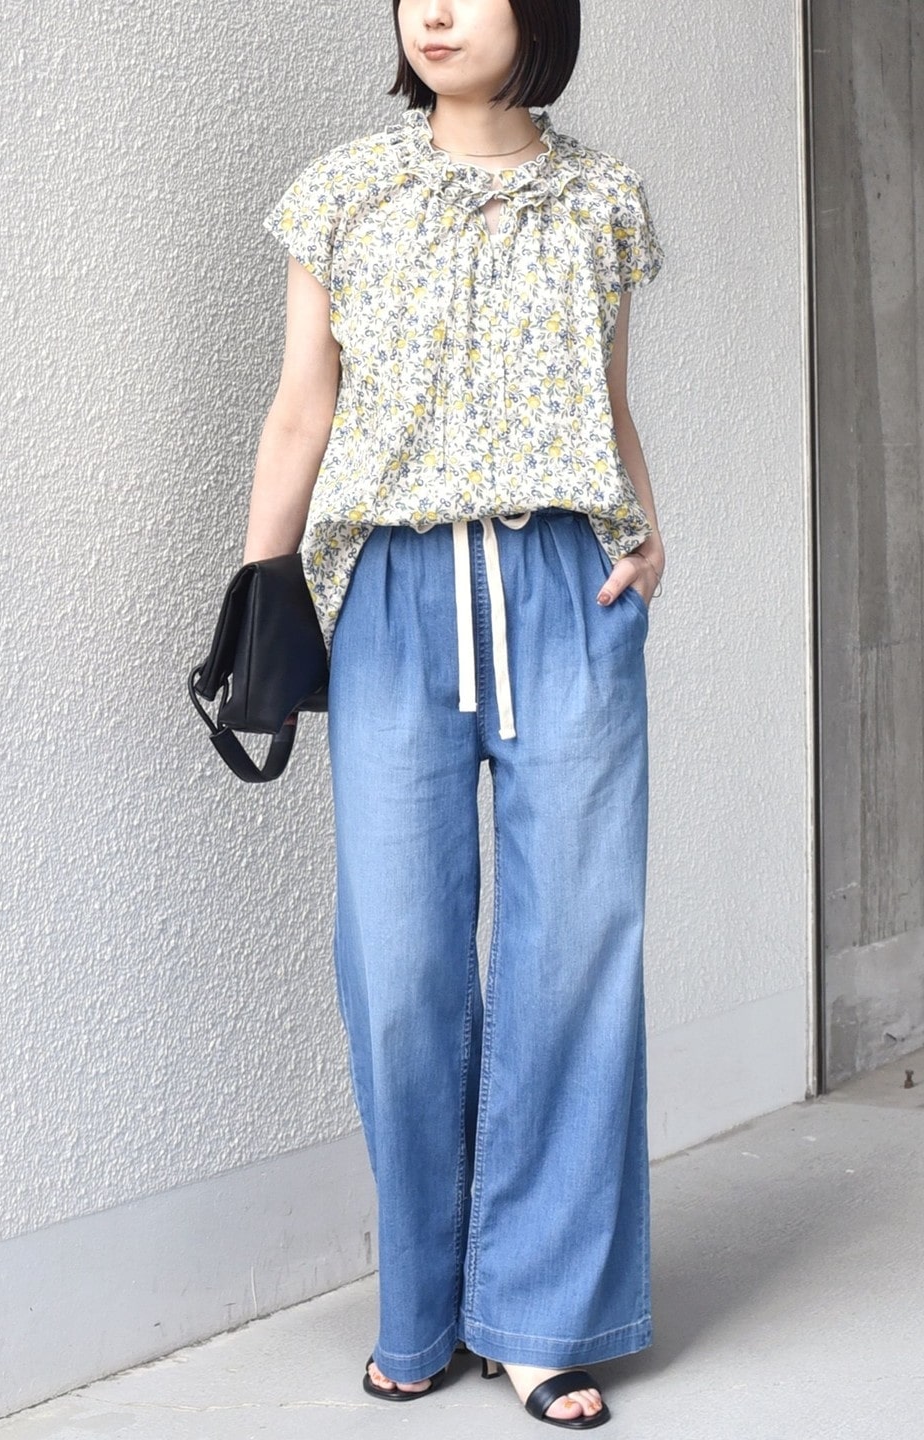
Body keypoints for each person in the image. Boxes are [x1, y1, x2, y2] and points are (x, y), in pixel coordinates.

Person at [242, 0, 666, 1428]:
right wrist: (259, 591)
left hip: (566, 587)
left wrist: (647, 535)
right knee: (402, 961)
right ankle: (421, 1303)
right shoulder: (343, 191)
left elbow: (608, 400)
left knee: (575, 953)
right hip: (394, 594)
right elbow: (302, 409)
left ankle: (543, 1315)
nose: (433, 10)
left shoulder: (604, 200)